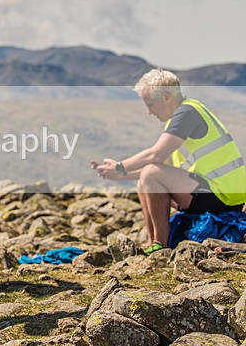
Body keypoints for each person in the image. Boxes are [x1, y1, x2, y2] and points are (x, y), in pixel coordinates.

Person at [92, 68, 246, 254]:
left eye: (150, 104)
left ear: (166, 97)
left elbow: (155, 156)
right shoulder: (180, 118)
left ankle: (160, 245)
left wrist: (120, 166)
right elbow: (162, 170)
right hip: (215, 191)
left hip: (223, 195)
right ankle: (153, 245)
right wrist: (118, 176)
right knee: (144, 180)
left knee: (150, 173)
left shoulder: (187, 112)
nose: (148, 112)